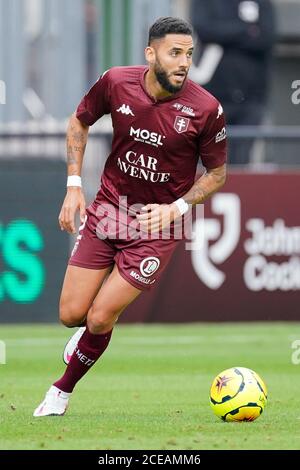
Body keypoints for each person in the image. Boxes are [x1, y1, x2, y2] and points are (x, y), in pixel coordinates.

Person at [33, 17, 227, 417]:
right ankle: (85, 336)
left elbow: (218, 173)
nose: (183, 62)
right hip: (108, 210)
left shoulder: (206, 109)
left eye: (189, 54)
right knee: (72, 315)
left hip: (157, 227)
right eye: (175, 53)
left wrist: (177, 208)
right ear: (150, 53)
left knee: (101, 317)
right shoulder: (116, 81)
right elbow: (80, 120)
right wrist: (73, 185)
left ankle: (60, 392)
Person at [190, 0, 275, 164]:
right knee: (210, 158)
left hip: (252, 97)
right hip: (213, 96)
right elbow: (204, 30)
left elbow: (266, 37)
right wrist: (246, 29)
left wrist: (225, 34)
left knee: (241, 158)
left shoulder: (262, 3)